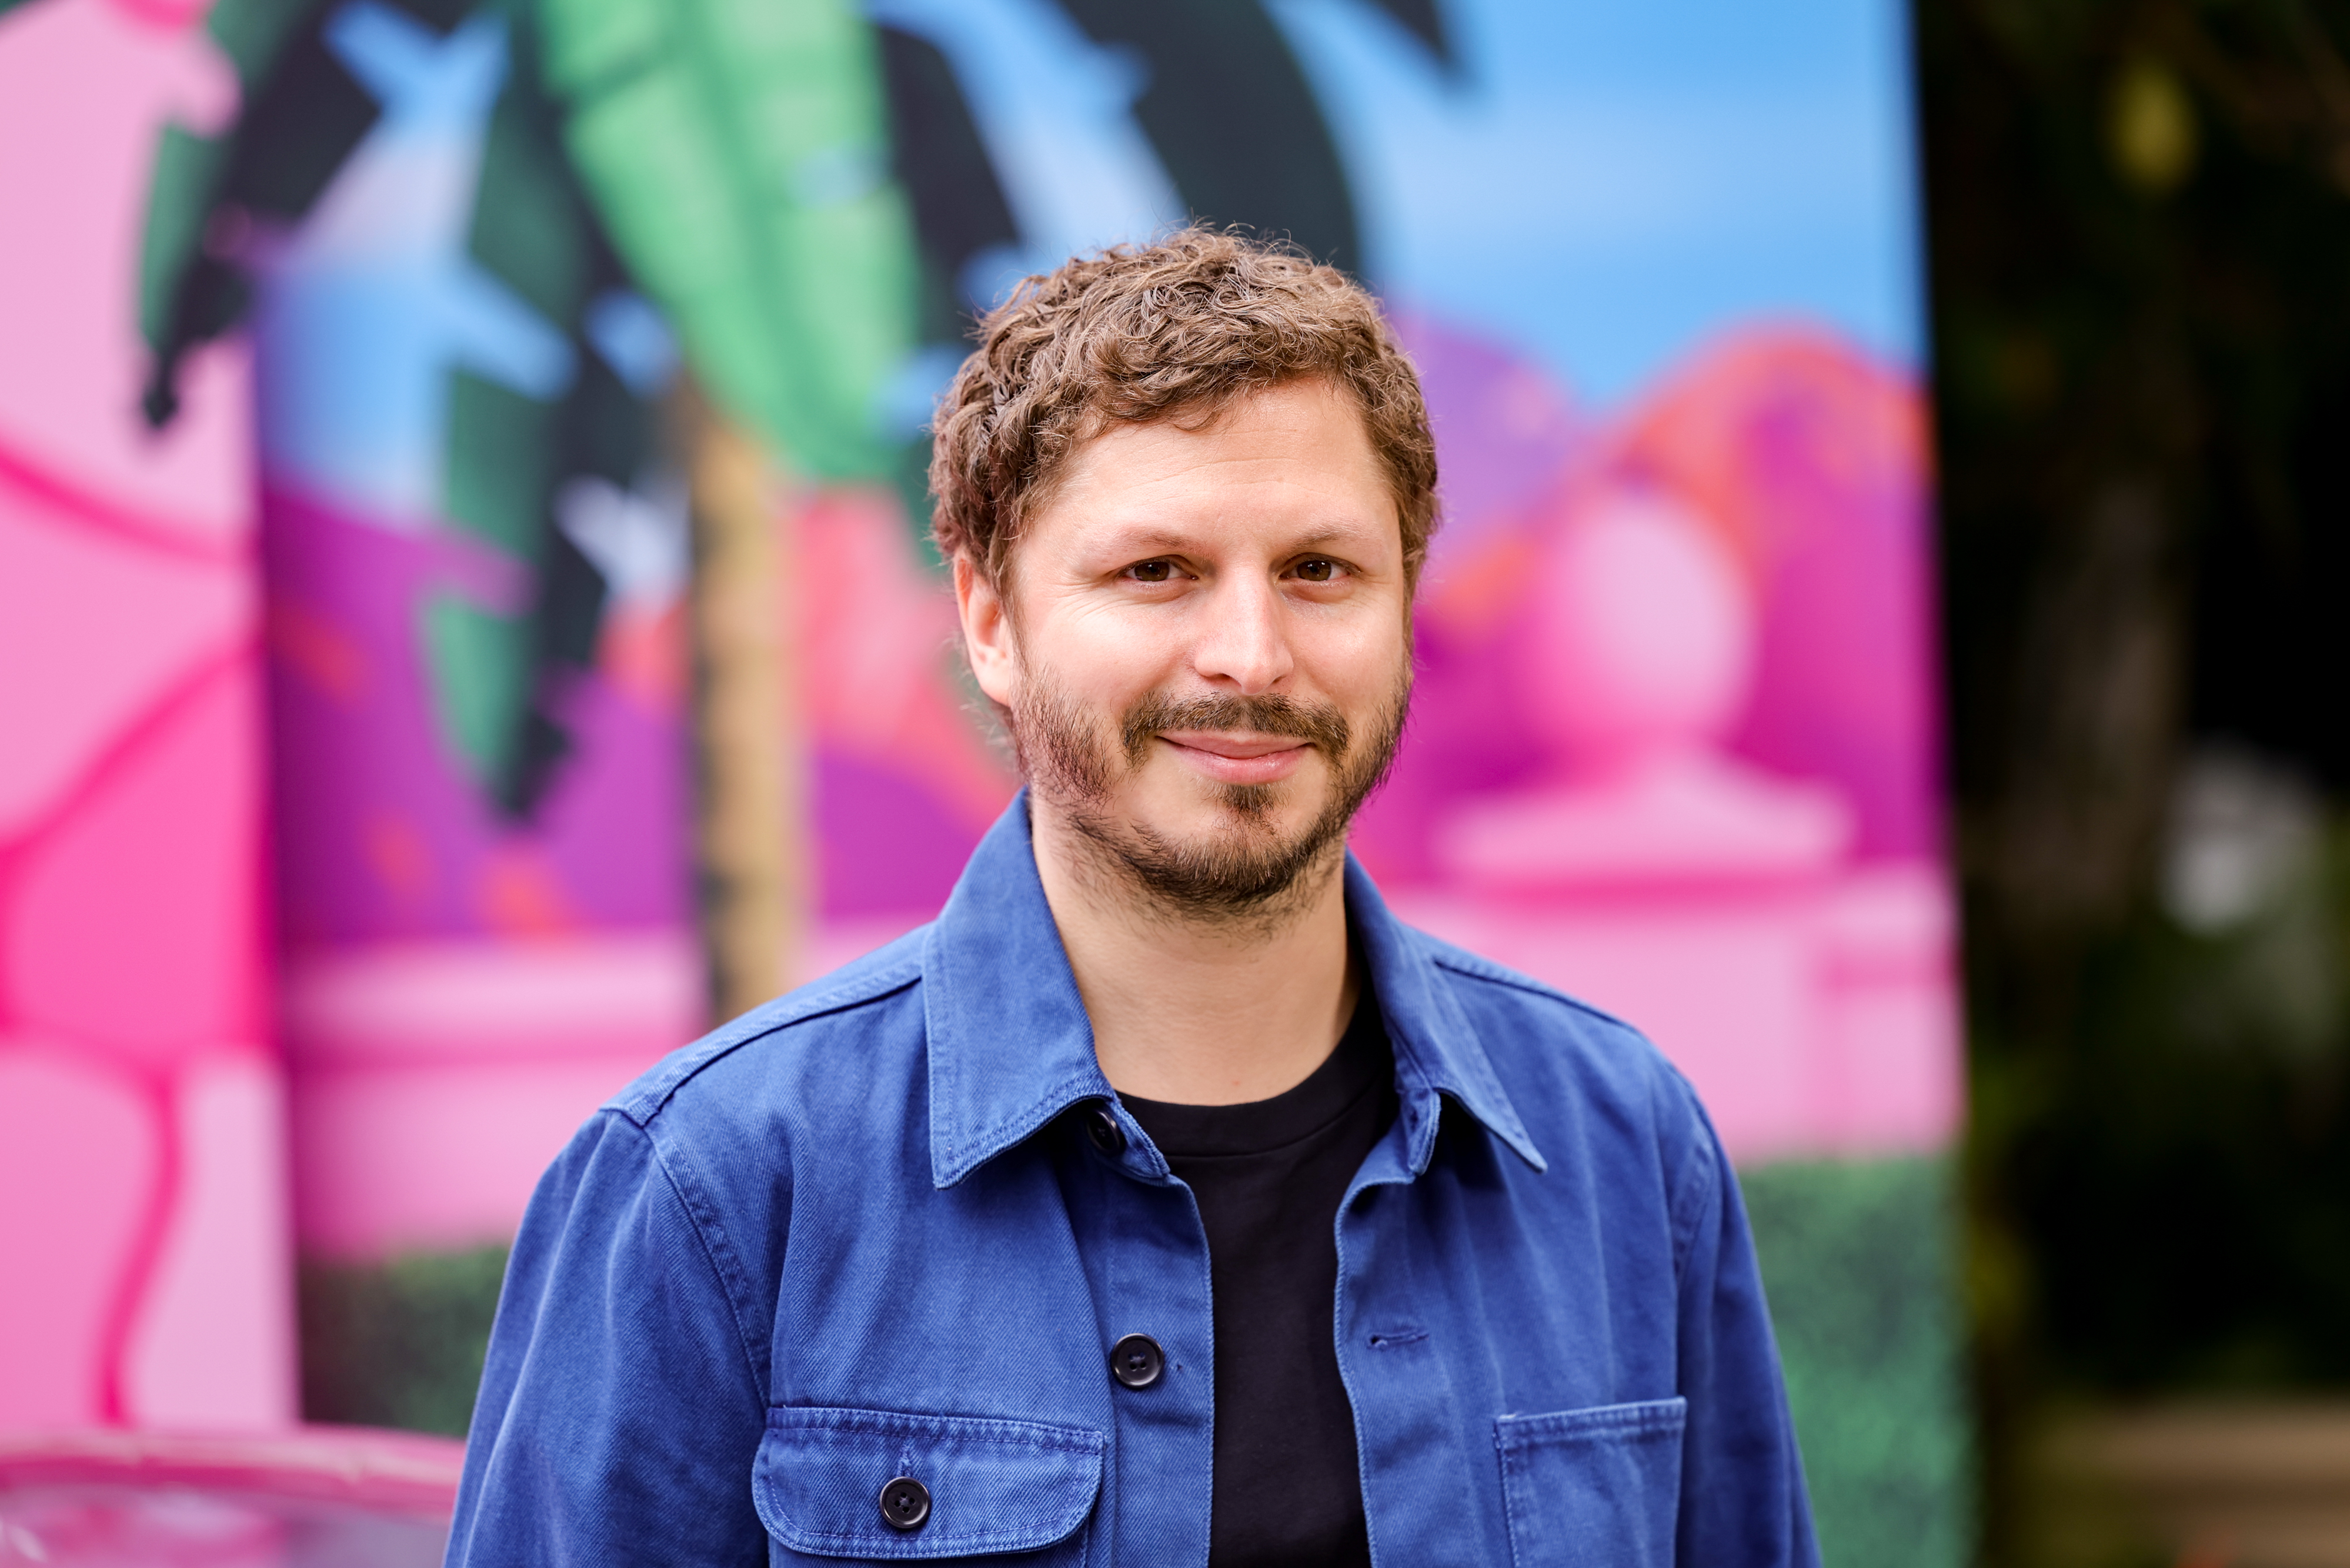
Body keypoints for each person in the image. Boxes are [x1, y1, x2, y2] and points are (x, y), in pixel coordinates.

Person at [446, 229, 1818, 1567]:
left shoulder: (1621, 1148)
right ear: (990, 618)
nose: (1247, 651)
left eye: (1317, 570)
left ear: (1405, 599)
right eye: (1155, 570)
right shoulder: (711, 1183)